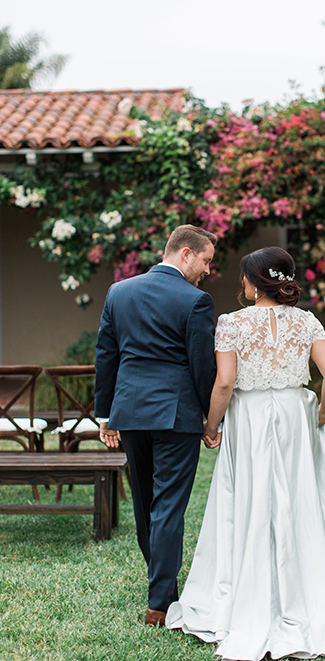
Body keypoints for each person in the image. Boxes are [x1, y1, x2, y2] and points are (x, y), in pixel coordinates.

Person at [166, 246, 325, 660]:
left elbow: (224, 383)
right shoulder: (307, 321)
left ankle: (246, 594)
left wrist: (211, 425)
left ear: (252, 282)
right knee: (301, 498)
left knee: (251, 499)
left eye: (243, 277)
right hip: (294, 414)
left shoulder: (231, 323)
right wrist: (323, 408)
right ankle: (312, 590)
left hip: (249, 418)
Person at [95, 224, 217, 628]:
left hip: (129, 412)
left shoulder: (119, 292)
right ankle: (160, 602)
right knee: (168, 507)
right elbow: (202, 366)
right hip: (176, 415)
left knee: (147, 505)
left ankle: (160, 587)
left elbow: (106, 355)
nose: (207, 270)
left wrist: (105, 414)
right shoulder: (196, 300)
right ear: (185, 253)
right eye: (205, 260)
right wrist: (208, 418)